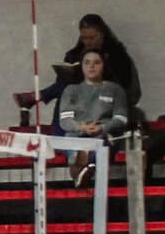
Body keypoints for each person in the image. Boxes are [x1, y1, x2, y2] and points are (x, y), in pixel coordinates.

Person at [52, 49, 131, 187]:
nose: (91, 66)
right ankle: (83, 170)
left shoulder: (115, 89)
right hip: (75, 135)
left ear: (103, 65)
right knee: (73, 144)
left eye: (96, 62)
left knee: (100, 146)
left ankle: (82, 171)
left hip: (103, 135)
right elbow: (65, 121)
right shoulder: (71, 90)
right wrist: (81, 127)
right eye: (87, 63)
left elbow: (121, 118)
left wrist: (102, 127)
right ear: (81, 66)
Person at [47, 13, 142, 106]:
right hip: (81, 98)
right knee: (63, 92)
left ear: (102, 35)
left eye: (92, 38)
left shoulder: (116, 55)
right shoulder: (74, 55)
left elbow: (123, 85)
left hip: (108, 98)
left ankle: (40, 96)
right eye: (84, 38)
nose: (88, 42)